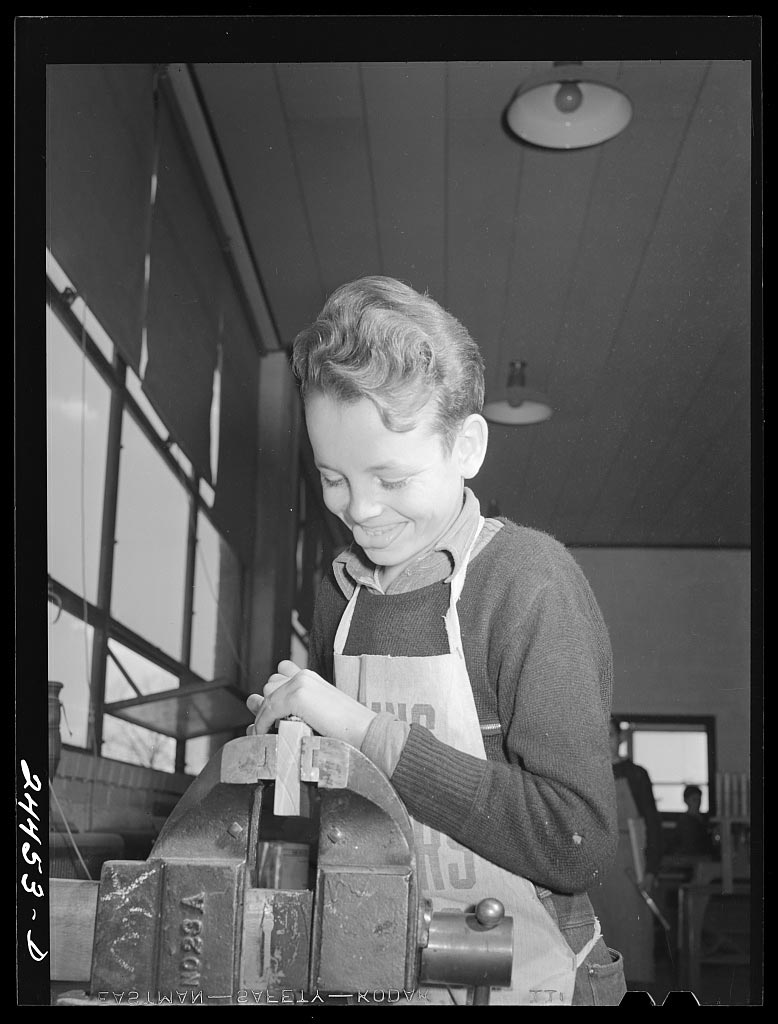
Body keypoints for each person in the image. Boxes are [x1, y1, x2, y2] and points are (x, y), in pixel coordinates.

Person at [245, 276, 626, 1005]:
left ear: (467, 447)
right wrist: (301, 743)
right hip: (384, 967)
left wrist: (362, 730)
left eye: (391, 477)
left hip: (531, 977)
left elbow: (572, 840)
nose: (359, 510)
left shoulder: (527, 584)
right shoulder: (341, 594)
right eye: (332, 478)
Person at [589, 719, 663, 992]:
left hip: (631, 863)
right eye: (600, 733)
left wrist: (652, 869)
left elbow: (653, 824)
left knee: (634, 936)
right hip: (597, 863)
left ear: (619, 738)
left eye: (610, 734)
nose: (605, 739)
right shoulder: (588, 771)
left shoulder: (636, 774)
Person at [670, 784, 714, 859]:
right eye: (694, 800)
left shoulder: (704, 819)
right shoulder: (685, 821)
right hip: (692, 858)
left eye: (699, 800)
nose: (697, 803)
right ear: (686, 801)